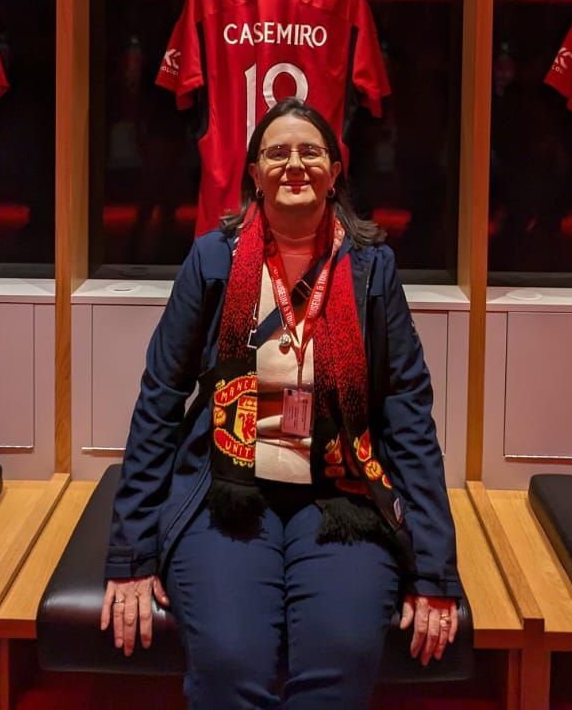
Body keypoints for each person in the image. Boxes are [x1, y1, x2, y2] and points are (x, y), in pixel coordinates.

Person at [102, 97, 461, 709]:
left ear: (334, 169)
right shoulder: (212, 260)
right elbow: (160, 399)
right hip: (230, 489)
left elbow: (408, 416)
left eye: (310, 151)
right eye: (277, 152)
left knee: (342, 658)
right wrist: (130, 553)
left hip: (341, 493)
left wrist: (434, 570)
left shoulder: (373, 268)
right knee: (228, 663)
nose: (294, 164)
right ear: (253, 172)